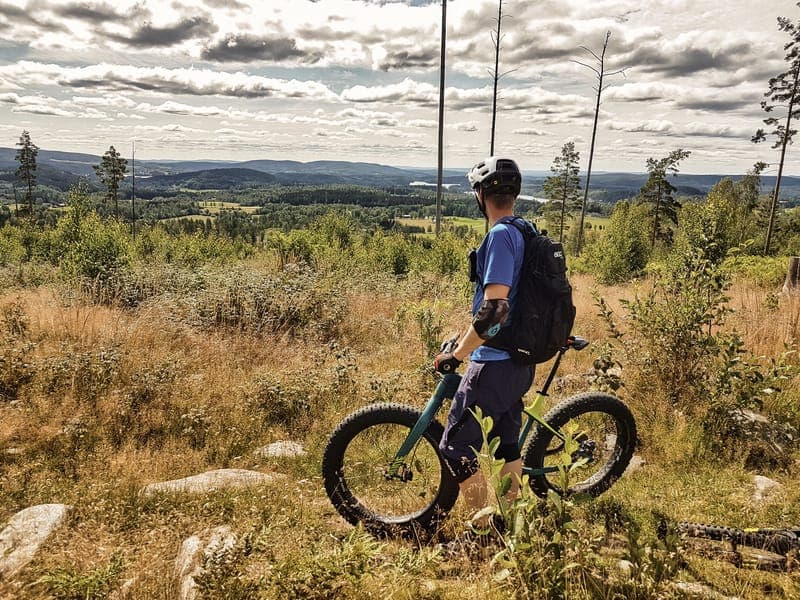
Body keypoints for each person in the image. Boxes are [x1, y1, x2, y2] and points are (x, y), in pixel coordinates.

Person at [433, 156, 535, 528]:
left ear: (480, 195)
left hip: (493, 364)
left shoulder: (500, 236)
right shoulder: (525, 230)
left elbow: (494, 311)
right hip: (519, 363)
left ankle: (483, 530)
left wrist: (458, 354)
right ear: (514, 194)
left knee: (455, 446)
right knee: (508, 444)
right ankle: (510, 523)